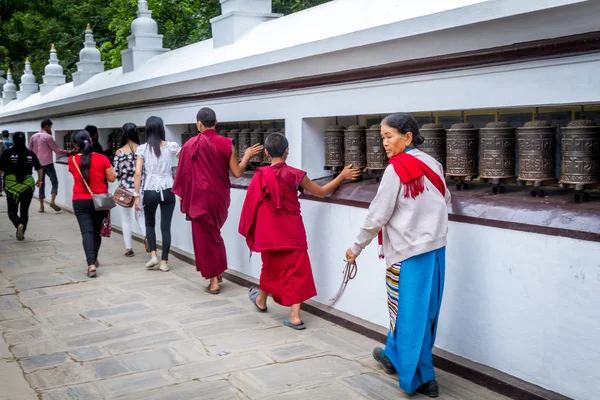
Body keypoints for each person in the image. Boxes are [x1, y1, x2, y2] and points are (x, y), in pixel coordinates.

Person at [344, 113, 451, 398]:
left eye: (389, 136)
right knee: (422, 314)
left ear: (408, 137)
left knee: (409, 316)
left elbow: (377, 216)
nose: (385, 143)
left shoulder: (395, 170)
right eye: (382, 138)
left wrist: (355, 248)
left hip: (408, 255)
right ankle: (392, 353)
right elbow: (445, 201)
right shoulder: (433, 164)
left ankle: (423, 377)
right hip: (436, 253)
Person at [238, 133, 360, 328]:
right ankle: (294, 315)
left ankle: (261, 300)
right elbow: (321, 192)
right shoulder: (295, 174)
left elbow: (251, 206)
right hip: (291, 230)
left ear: (267, 153)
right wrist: (342, 176)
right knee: (297, 270)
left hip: (269, 232)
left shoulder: (260, 175)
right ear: (287, 150)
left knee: (269, 267)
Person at [172, 107, 262, 294]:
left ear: (199, 124)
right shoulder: (226, 143)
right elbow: (237, 173)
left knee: (207, 238)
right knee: (213, 234)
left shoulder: (190, 145)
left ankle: (214, 281)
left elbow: (182, 173)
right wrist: (246, 156)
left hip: (198, 199)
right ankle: (217, 271)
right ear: (216, 122)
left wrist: (183, 194)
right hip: (219, 198)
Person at [133, 116, 180, 272]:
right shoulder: (171, 147)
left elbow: (138, 173)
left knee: (149, 223)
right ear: (161, 128)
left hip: (150, 189)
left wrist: (136, 195)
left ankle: (153, 255)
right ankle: (164, 262)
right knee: (165, 227)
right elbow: (185, 160)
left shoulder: (143, 149)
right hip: (168, 189)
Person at [68, 130, 116, 278]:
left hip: (80, 201)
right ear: (91, 140)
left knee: (86, 232)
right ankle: (94, 257)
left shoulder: (72, 160)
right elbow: (112, 178)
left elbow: (76, 173)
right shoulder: (102, 158)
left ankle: (91, 264)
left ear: (75, 145)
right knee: (96, 232)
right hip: (100, 201)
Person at [0, 132, 43, 240]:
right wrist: (40, 180)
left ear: (13, 141)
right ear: (24, 141)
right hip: (27, 186)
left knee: (12, 211)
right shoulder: (30, 153)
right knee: (24, 211)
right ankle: (22, 232)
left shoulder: (7, 153)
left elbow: (1, 170)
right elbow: (39, 168)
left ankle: (18, 224)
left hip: (11, 187)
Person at [113, 123, 146, 257]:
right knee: (141, 216)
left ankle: (128, 248)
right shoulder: (142, 149)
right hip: (140, 188)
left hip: (125, 190)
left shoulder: (119, 152)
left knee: (126, 219)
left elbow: (116, 172)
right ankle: (146, 236)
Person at [28, 118, 71, 212]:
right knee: (54, 182)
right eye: (50, 127)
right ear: (47, 126)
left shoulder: (33, 137)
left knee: (41, 184)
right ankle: (52, 201)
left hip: (38, 165)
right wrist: (70, 152)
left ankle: (41, 207)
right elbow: (57, 150)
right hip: (48, 164)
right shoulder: (47, 137)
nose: (50, 129)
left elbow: (29, 151)